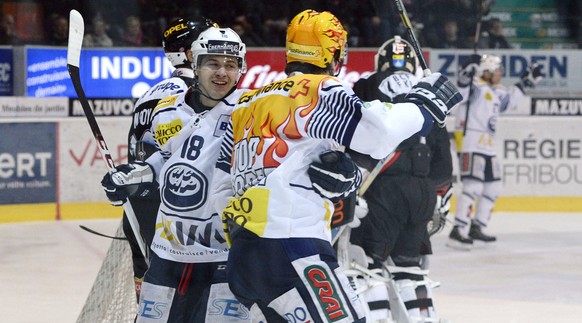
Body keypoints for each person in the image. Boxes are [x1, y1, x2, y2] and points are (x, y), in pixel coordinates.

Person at [211, 9, 461, 322]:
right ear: (334, 52)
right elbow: (377, 133)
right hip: (291, 246)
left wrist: (348, 172)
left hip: (245, 251)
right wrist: (425, 105)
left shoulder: (248, 102)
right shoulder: (317, 89)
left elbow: (227, 176)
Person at [101, 17, 217, 303]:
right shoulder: (195, 93)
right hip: (176, 219)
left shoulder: (149, 94)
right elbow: (187, 159)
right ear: (191, 53)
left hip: (140, 212)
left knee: (152, 306)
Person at [347, 35, 453, 322]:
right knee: (409, 269)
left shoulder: (366, 85)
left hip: (381, 189)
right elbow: (443, 163)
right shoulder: (429, 96)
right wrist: (440, 196)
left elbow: (351, 132)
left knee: (366, 266)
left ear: (380, 62)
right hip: (422, 192)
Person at [448, 54, 543, 250]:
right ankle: (458, 230)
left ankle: (477, 226)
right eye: (497, 71)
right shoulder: (474, 87)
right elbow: (460, 92)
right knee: (472, 187)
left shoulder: (496, 90)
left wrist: (526, 81)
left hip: (488, 146)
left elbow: (508, 102)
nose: (500, 74)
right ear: (487, 72)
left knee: (493, 188)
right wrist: (466, 72)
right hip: (471, 143)